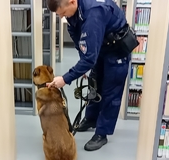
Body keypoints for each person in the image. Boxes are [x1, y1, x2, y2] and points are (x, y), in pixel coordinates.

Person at [46, 0, 137, 151]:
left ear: (72, 2)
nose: (62, 17)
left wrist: (65, 79)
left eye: (62, 13)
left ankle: (102, 133)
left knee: (110, 92)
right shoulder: (73, 12)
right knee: (94, 85)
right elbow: (81, 44)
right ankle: (91, 119)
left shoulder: (94, 13)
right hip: (100, 47)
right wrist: (83, 65)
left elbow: (89, 58)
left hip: (116, 50)